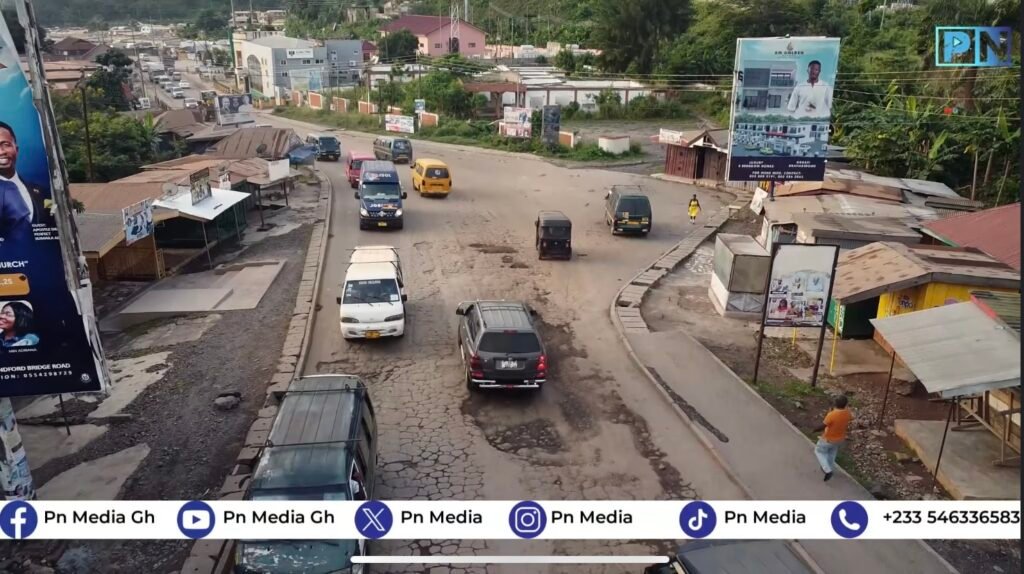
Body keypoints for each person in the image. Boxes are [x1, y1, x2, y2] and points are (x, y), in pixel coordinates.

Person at [0, 121, 53, 247]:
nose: (2, 152)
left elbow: (53, 220)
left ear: (16, 150)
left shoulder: (42, 192)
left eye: (6, 144)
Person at [814, 394, 853, 482]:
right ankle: (829, 467)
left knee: (819, 451)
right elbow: (849, 417)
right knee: (832, 453)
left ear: (835, 404)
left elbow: (824, 425)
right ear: (846, 404)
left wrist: (814, 430)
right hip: (839, 439)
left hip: (828, 438)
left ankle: (827, 470)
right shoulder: (847, 413)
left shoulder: (832, 414)